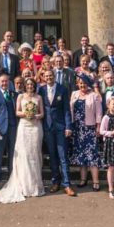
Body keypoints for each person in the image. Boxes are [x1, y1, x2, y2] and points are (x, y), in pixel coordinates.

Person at [0, 77, 45, 203]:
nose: (30, 86)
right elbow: (17, 112)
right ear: (25, 86)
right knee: (21, 155)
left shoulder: (38, 98)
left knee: (34, 155)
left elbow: (42, 113)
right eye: (28, 85)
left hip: (35, 127)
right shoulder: (19, 97)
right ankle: (11, 183)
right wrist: (27, 114)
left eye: (32, 84)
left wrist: (35, 115)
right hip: (22, 127)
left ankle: (34, 185)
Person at [40, 64, 75, 196]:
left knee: (63, 156)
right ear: (44, 77)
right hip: (48, 127)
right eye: (46, 76)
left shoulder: (62, 89)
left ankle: (67, 184)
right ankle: (56, 182)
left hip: (61, 127)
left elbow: (67, 109)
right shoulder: (41, 90)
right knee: (53, 156)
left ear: (54, 76)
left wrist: (68, 126)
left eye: (51, 76)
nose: (49, 77)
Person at [69, 75, 102, 190]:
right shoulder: (74, 94)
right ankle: (83, 179)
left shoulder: (94, 95)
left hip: (90, 129)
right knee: (80, 155)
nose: (82, 85)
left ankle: (96, 181)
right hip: (78, 129)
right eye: (80, 83)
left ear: (88, 83)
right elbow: (70, 111)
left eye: (84, 83)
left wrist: (98, 127)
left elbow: (99, 113)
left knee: (92, 155)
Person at [0, 74, 18, 192]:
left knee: (13, 156)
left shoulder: (14, 95)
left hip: (13, 129)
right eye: (2, 81)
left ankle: (12, 180)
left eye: (6, 81)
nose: (4, 83)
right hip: (0, 129)